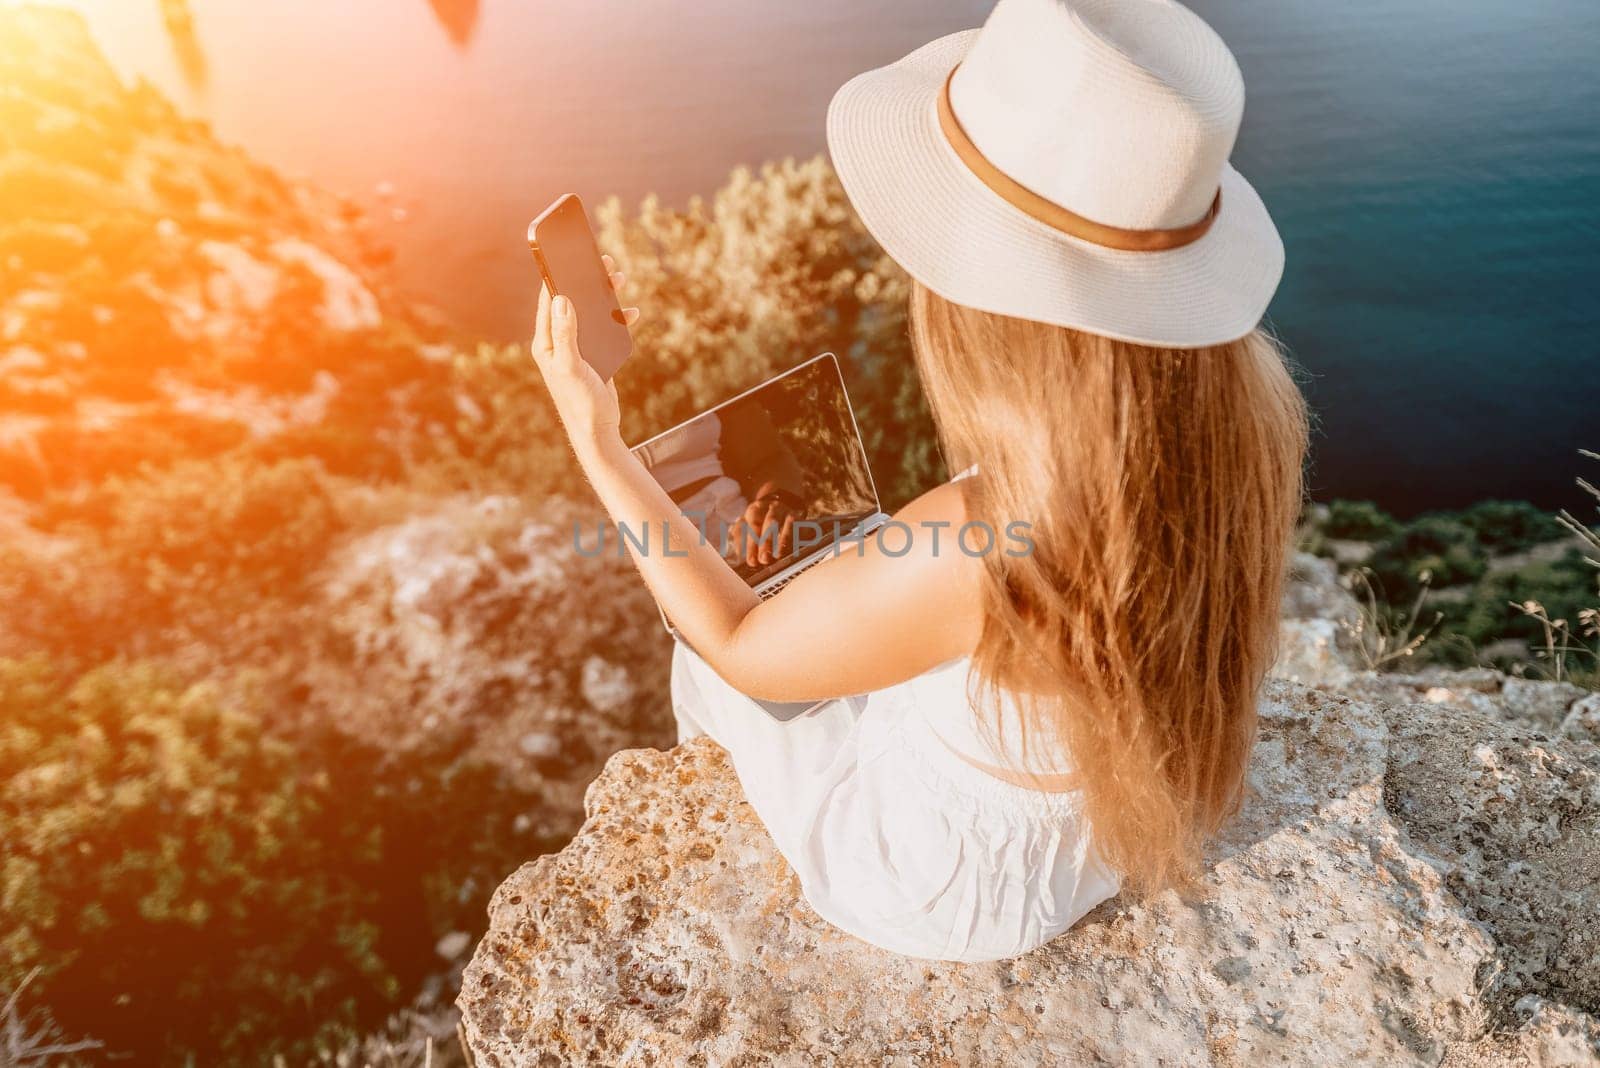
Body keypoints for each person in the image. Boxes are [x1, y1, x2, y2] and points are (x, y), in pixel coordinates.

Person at [529, 0, 1308, 962]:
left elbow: (738, 646)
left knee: (706, 649)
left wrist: (598, 441)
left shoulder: (992, 534)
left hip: (946, 882)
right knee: (842, 556)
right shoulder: (1246, 419)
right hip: (1104, 824)